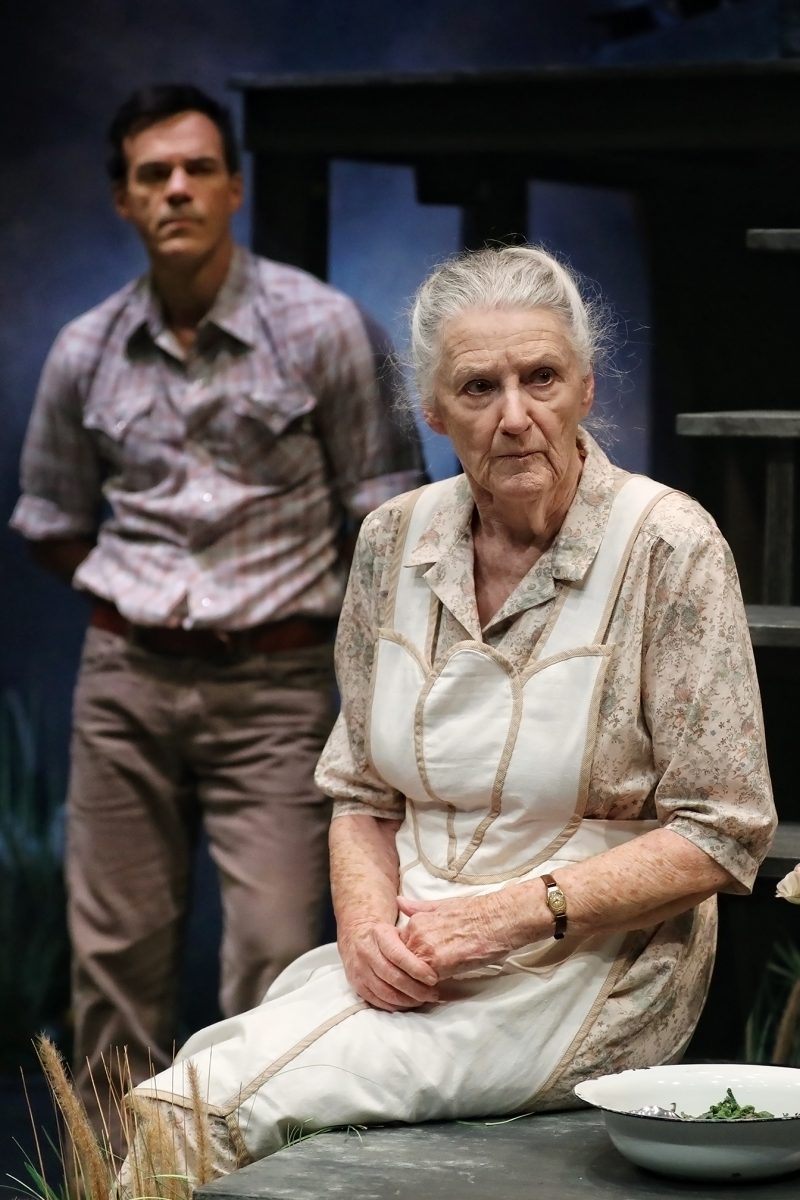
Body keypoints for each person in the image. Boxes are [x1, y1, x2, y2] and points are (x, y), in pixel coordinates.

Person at [118, 243, 775, 1191]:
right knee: (183, 1101)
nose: (515, 416)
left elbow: (726, 832)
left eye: (540, 377)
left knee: (209, 1114)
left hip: (592, 968)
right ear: (433, 410)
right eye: (478, 388)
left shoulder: (667, 545)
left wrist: (504, 919)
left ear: (586, 388)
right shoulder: (393, 539)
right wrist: (363, 926)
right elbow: (358, 792)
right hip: (413, 944)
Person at [9, 83, 425, 1137]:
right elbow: (51, 518)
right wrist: (151, 607)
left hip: (277, 689)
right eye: (153, 174)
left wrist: (276, 617)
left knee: (276, 956)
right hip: (126, 686)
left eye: (197, 169)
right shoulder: (84, 350)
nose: (177, 190)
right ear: (123, 201)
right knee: (112, 968)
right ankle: (115, 1177)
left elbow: (390, 521)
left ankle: (254, 1176)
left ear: (233, 187)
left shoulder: (322, 330)